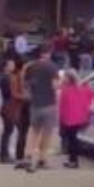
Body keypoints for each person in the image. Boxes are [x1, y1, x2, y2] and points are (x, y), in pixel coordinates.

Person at [16, 45, 60, 174]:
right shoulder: (52, 67)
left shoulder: (31, 67)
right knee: (47, 133)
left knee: (34, 131)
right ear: (47, 53)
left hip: (35, 105)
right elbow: (55, 86)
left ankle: (28, 155)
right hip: (49, 104)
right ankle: (42, 158)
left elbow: (26, 84)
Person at [59, 69, 94, 169]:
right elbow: (92, 94)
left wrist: (61, 118)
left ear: (69, 78)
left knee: (72, 140)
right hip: (79, 118)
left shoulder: (66, 89)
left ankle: (73, 161)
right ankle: (72, 160)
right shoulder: (82, 88)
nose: (63, 79)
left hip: (69, 119)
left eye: (65, 77)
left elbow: (63, 105)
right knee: (73, 139)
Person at [0, 60, 26, 164]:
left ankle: (5, 155)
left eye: (13, 65)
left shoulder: (7, 77)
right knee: (10, 131)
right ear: (5, 67)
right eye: (10, 65)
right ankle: (6, 155)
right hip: (10, 107)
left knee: (8, 131)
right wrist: (24, 97)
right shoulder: (6, 78)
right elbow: (11, 94)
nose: (13, 67)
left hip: (8, 107)